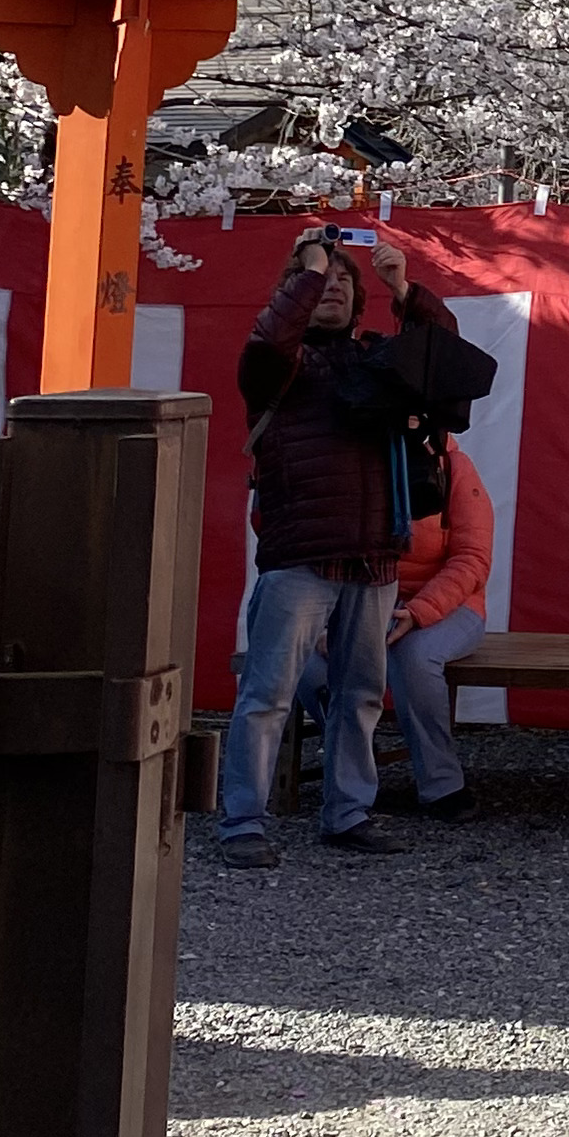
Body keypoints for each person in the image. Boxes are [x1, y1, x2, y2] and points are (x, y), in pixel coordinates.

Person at [216, 225, 460, 871]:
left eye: (342, 282)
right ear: (296, 290)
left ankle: (348, 813)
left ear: (359, 300)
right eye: (320, 282)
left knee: (360, 696)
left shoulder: (378, 360)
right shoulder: (276, 367)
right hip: (301, 554)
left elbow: (444, 358)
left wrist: (404, 289)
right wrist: (310, 266)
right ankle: (242, 820)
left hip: (376, 552)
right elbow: (272, 338)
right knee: (269, 692)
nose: (332, 289)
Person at [385, 438, 494, 819]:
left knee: (415, 655)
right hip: (368, 600)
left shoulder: (454, 466)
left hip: (450, 605)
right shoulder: (356, 459)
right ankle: (355, 778)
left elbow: (473, 558)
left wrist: (418, 611)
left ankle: (442, 784)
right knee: (314, 666)